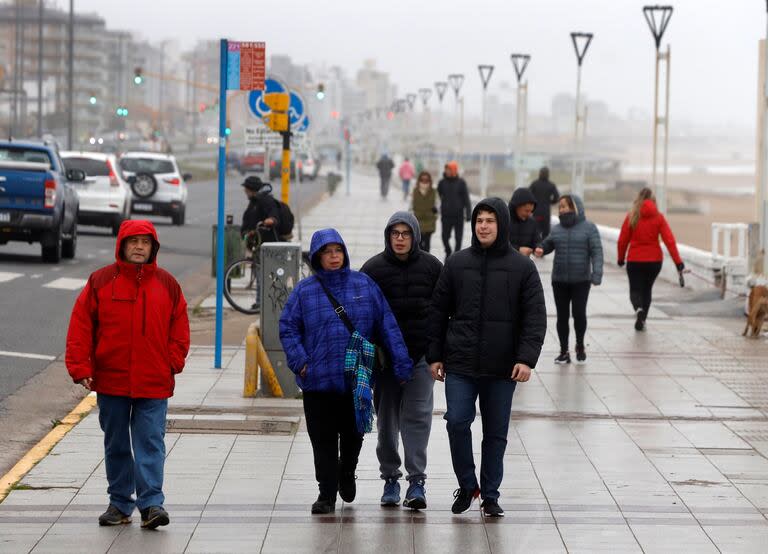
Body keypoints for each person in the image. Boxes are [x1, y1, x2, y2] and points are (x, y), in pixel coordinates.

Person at [65, 220, 190, 530]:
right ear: (121, 245)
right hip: (112, 379)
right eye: (132, 241)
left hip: (154, 381)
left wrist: (171, 361)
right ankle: (120, 503)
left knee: (150, 442)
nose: (138, 247)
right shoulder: (100, 281)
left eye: (145, 242)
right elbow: (81, 326)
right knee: (117, 443)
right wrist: (80, 367)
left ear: (153, 248)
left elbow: (180, 327)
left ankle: (151, 505)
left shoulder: (167, 284)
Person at [427, 198, 547, 518]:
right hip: (461, 364)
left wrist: (526, 359)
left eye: (490, 220)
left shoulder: (522, 267)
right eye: (479, 220)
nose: (483, 226)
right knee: (456, 421)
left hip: (502, 367)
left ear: (502, 225)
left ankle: (490, 494)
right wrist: (434, 355)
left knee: (495, 433)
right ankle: (468, 485)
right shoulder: (456, 263)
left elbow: (535, 317)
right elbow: (437, 312)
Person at [279, 228, 412, 515]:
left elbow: (386, 324)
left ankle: (347, 470)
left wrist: (402, 363)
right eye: (327, 252)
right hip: (317, 381)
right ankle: (326, 493)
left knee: (353, 436)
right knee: (323, 439)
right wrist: (301, 361)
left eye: (338, 250)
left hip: (356, 381)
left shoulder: (364, 285)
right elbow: (288, 328)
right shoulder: (305, 291)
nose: (334, 256)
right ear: (317, 257)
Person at [361, 212, 443, 510]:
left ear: (415, 236)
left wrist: (438, 353)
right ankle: (390, 478)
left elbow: (443, 311)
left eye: (405, 233)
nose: (399, 238)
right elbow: (361, 314)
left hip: (422, 356)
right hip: (385, 361)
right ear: (388, 236)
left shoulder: (433, 267)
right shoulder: (372, 269)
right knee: (386, 423)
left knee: (418, 418)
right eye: (394, 233)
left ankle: (417, 481)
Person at [535, 195, 603, 364]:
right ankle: (564, 350)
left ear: (575, 207)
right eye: (560, 207)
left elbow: (597, 251)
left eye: (565, 206)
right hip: (559, 280)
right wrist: (541, 249)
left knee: (579, 315)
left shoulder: (589, 228)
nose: (562, 209)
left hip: (581, 280)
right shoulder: (557, 229)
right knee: (562, 317)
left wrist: (597, 273)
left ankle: (580, 345)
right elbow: (549, 244)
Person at [617, 187, 684, 331]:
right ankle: (643, 320)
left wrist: (621, 258)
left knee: (635, 290)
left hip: (635, 260)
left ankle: (638, 310)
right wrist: (678, 263)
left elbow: (622, 240)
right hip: (654, 261)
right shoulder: (659, 217)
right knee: (647, 290)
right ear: (653, 200)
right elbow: (669, 241)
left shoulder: (632, 216)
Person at [437, 161, 472, 258]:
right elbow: (438, 197)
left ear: (454, 170)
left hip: (458, 216)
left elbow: (466, 199)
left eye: (449, 169)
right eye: (446, 169)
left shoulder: (461, 183)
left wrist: (469, 213)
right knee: (444, 237)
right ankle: (448, 251)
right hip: (446, 215)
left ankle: (456, 256)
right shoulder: (441, 183)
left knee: (458, 238)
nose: (447, 171)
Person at [240, 176, 280, 245]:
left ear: (251, 189)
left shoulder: (266, 200)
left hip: (265, 243)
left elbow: (274, 216)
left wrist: (271, 220)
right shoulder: (253, 202)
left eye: (246, 189)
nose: (245, 190)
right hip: (254, 242)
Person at [529, 167, 559, 239]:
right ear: (548, 174)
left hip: (536, 211)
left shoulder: (534, 184)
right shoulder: (551, 185)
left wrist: (532, 203)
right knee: (546, 232)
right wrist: (550, 202)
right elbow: (557, 197)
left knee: (535, 230)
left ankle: (536, 247)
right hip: (546, 212)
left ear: (539, 173)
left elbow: (528, 195)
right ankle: (544, 248)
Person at [507, 187, 540, 255]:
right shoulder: (503, 220)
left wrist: (538, 248)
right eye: (526, 211)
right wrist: (518, 249)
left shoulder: (532, 222)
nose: (529, 214)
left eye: (531, 211)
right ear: (516, 207)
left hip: (524, 263)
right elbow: (498, 245)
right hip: (504, 263)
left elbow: (536, 241)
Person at [411, 171, 438, 252]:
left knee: (427, 243)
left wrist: (435, 213)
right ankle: (420, 260)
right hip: (417, 220)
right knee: (419, 244)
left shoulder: (434, 191)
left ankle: (426, 260)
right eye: (422, 180)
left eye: (426, 180)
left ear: (429, 181)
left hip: (429, 221)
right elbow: (410, 206)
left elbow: (438, 205)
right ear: (419, 180)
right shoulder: (415, 191)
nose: (424, 182)